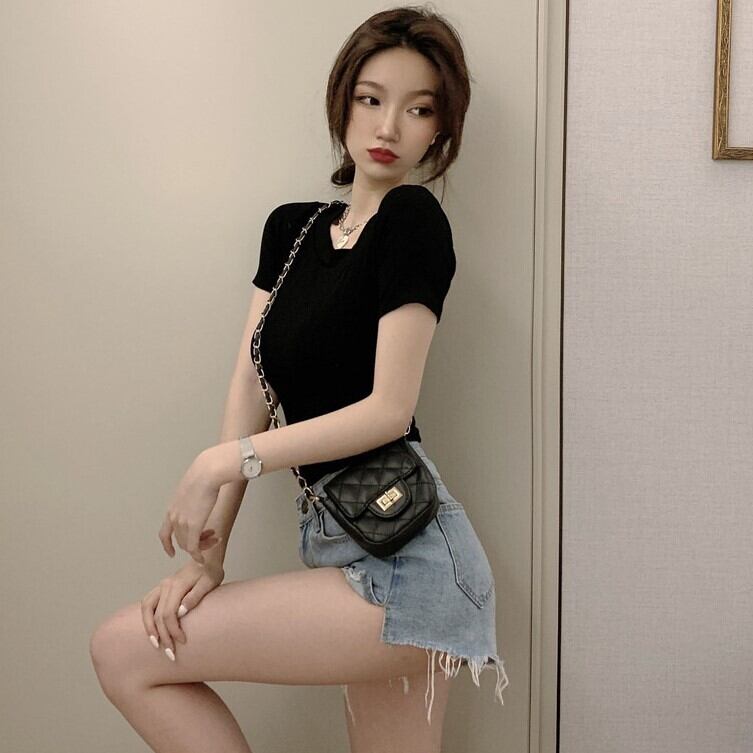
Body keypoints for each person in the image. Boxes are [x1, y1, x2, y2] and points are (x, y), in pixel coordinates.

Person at [89, 7, 508, 752]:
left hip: (413, 562)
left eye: (418, 109)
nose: (388, 126)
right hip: (347, 539)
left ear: (440, 131)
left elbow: (388, 410)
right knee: (131, 651)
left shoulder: (413, 220)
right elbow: (251, 384)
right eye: (370, 99)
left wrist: (221, 461)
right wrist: (209, 556)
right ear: (341, 102)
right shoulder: (292, 231)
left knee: (125, 650)